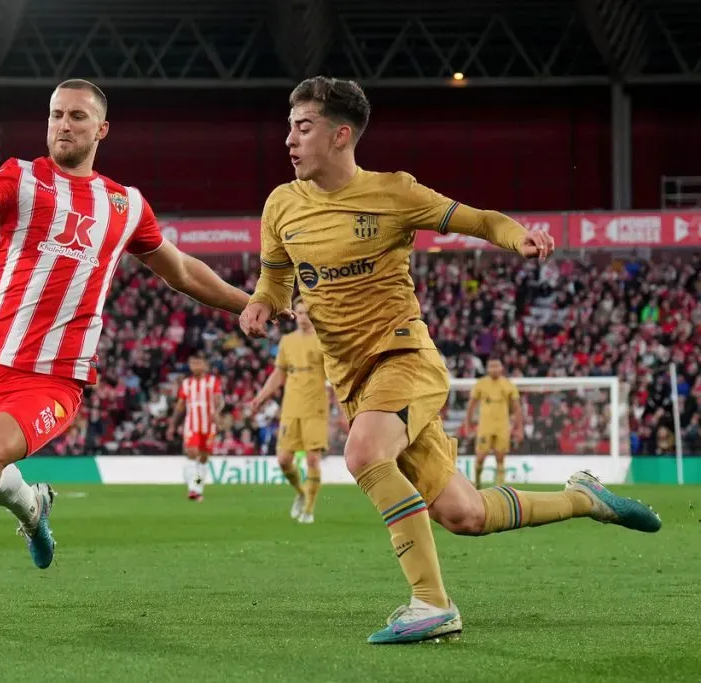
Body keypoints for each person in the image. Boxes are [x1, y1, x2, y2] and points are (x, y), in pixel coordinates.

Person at [239, 76, 662, 645]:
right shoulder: (282, 204)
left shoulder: (394, 193)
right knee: (465, 514)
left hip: (404, 357)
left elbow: (484, 220)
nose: (288, 138)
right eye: (289, 126)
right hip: (353, 382)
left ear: (341, 136)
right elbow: (276, 272)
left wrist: (520, 239)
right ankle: (585, 498)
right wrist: (265, 301)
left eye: (303, 127)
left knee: (363, 451)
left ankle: (431, 603)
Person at [0, 79, 252, 625]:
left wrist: (247, 304)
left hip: (56, 375)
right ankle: (33, 505)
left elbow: (183, 271)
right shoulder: (17, 178)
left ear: (102, 129)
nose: (63, 125)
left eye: (75, 116)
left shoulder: (125, 204)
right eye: (55, 115)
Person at [250, 297, 347, 523]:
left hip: (316, 408)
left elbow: (336, 380)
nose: (303, 317)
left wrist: (343, 412)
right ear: (294, 315)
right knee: (284, 460)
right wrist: (261, 397)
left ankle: (309, 510)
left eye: (307, 313)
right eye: (300, 313)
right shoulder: (287, 342)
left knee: (313, 459)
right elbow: (279, 374)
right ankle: (301, 494)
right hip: (291, 408)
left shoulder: (325, 342)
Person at [167, 351, 223, 501]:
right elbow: (180, 406)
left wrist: (217, 412)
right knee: (192, 453)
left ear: (205, 365)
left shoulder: (213, 382)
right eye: (192, 363)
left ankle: (197, 487)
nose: (195, 366)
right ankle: (192, 488)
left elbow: (219, 401)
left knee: (203, 458)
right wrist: (172, 425)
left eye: (198, 363)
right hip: (192, 425)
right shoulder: (186, 383)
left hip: (208, 426)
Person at [464, 357, 523, 488]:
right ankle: (477, 482)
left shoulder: (509, 385)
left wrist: (519, 428)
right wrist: (467, 425)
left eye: (497, 366)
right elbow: (471, 406)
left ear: (501, 368)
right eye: (491, 366)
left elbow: (517, 408)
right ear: (487, 368)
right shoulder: (481, 384)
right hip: (485, 426)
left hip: (502, 426)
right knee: (480, 456)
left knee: (500, 457)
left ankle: (500, 487)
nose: (494, 369)